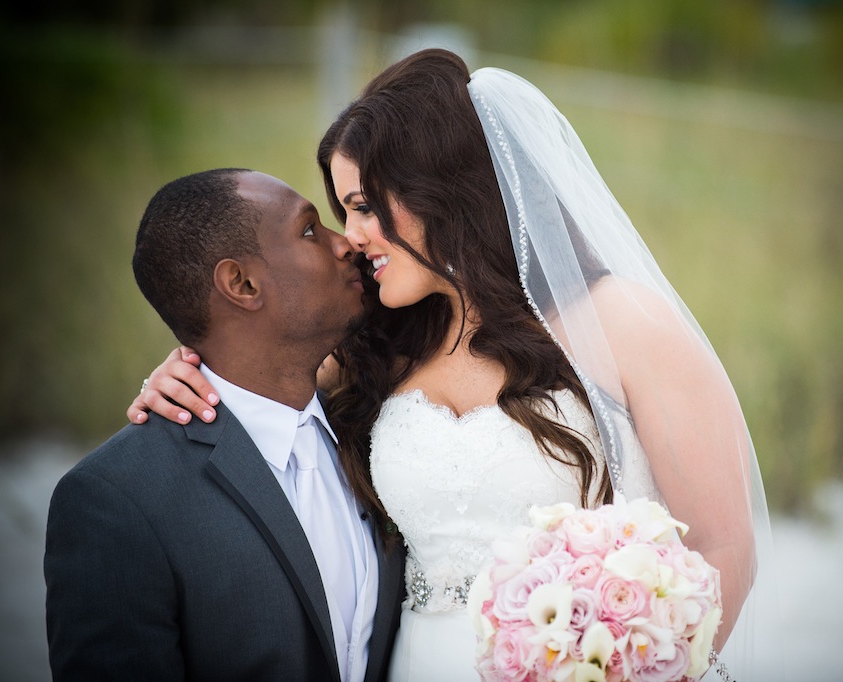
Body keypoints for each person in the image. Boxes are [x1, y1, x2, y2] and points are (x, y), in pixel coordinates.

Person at [132, 50, 782, 681]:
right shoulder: (377, 344)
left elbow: (725, 548)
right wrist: (185, 372)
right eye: (342, 211)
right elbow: (251, 380)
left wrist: (632, 673)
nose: (352, 236)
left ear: (436, 188)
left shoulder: (622, 322)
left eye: (363, 205)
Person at [46, 169, 406, 681]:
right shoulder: (117, 499)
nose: (345, 241)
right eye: (309, 230)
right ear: (241, 284)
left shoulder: (380, 422)